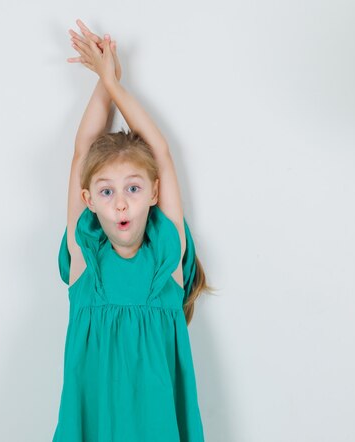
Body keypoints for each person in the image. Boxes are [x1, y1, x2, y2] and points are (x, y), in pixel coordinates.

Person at [52, 19, 213, 441]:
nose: (120, 201)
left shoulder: (167, 260)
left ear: (155, 192)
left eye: (133, 188)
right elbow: (82, 152)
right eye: (106, 191)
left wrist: (113, 82)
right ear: (88, 200)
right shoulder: (85, 258)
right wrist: (105, 82)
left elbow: (159, 149)